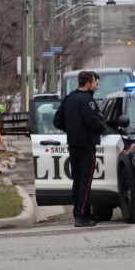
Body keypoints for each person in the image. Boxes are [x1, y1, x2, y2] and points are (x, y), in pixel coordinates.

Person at [54, 71, 105, 227]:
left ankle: (80, 213)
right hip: (86, 145)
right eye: (94, 83)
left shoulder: (69, 98)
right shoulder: (87, 100)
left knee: (77, 181)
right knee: (85, 181)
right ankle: (82, 216)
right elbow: (94, 122)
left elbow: (57, 121)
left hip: (73, 144)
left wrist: (71, 128)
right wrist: (102, 127)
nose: (96, 86)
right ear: (88, 83)